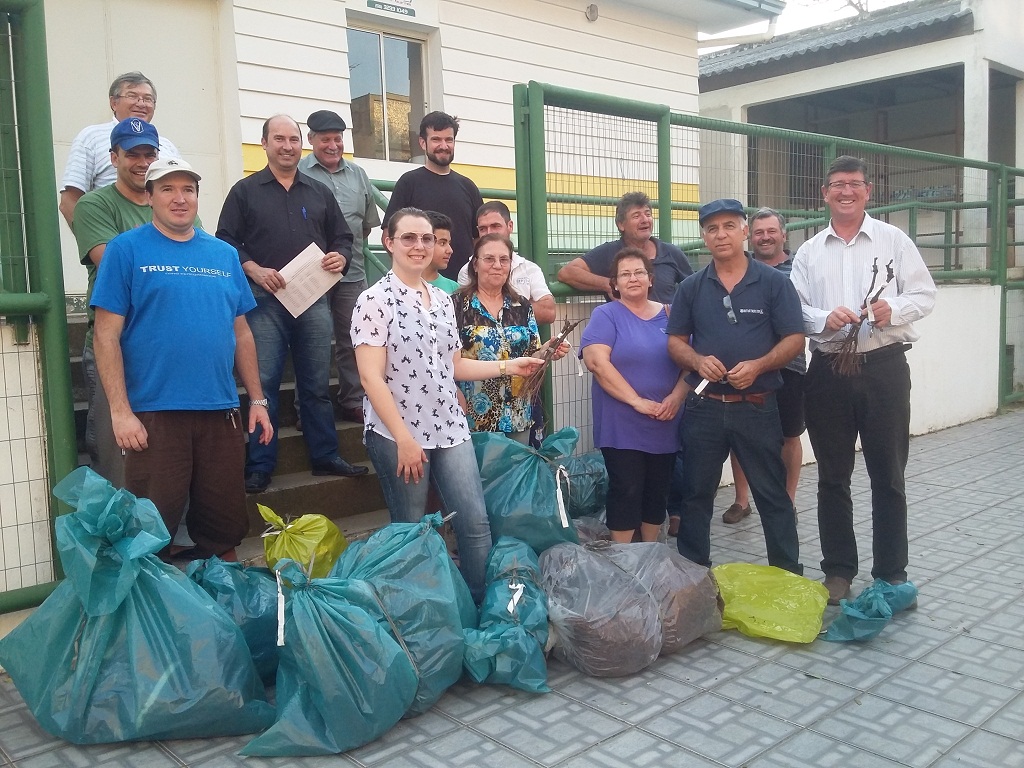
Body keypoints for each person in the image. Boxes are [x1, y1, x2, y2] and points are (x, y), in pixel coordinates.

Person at [351, 207, 544, 601]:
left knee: (475, 524)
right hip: (398, 433)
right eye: (409, 237)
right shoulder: (373, 300)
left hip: (450, 426)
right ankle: (417, 614)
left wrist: (509, 364)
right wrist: (404, 439)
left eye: (426, 238)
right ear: (389, 243)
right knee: (411, 531)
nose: (419, 246)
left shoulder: (441, 300)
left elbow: (453, 364)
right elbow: (371, 378)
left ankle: (479, 608)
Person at [91, 158, 271, 560]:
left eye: (188, 189)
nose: (179, 198)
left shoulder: (223, 255)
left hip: (220, 412)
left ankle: (226, 607)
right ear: (149, 196)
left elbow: (241, 332)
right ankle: (155, 615)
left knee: (224, 530)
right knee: (149, 533)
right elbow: (106, 335)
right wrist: (120, 411)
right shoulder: (126, 250)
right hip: (154, 415)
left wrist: (257, 400)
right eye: (168, 189)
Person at [791, 156, 936, 605]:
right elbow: (793, 309)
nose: (846, 192)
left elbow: (925, 294)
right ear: (825, 193)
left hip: (885, 368)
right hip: (829, 372)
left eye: (854, 184)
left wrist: (896, 308)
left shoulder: (894, 240)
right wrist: (822, 318)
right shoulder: (809, 251)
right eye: (837, 185)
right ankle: (837, 572)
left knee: (888, 475)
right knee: (833, 476)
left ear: (868, 192)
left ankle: (892, 573)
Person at [216, 114, 367, 494]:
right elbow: (226, 240)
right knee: (262, 385)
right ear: (264, 144)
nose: (287, 146)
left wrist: (340, 257)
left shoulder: (318, 192)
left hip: (312, 300)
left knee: (316, 383)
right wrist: (251, 267)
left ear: (302, 145)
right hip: (264, 301)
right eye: (278, 139)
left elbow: (343, 237)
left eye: (293, 140)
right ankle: (260, 465)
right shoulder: (244, 192)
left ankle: (325, 455)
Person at [667, 198, 804, 574]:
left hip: (757, 405)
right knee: (696, 494)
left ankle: (787, 575)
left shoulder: (774, 283)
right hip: (704, 407)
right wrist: (696, 361)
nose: (721, 234)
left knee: (772, 494)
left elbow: (795, 338)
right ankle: (693, 576)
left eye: (729, 226)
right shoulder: (692, 287)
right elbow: (675, 341)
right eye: (712, 228)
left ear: (745, 230)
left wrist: (759, 365)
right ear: (704, 237)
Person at [72, 118, 163, 487]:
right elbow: (113, 265)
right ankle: (116, 540)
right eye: (132, 154)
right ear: (113, 157)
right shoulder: (94, 205)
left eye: (149, 154)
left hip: (163, 346)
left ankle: (169, 541)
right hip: (115, 342)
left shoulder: (168, 199)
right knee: (115, 451)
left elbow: (197, 258)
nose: (142, 162)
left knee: (163, 453)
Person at [580, 248, 687, 542]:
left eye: (639, 272)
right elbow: (597, 363)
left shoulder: (671, 314)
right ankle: (625, 559)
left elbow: (690, 363)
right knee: (626, 488)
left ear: (651, 279)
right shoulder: (606, 314)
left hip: (664, 418)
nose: (633, 278)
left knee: (658, 489)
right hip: (621, 422)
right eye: (624, 274)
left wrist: (676, 398)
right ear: (614, 283)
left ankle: (649, 552)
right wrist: (636, 401)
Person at [722, 207, 807, 524]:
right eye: (758, 231)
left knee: (789, 435)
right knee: (739, 435)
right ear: (749, 235)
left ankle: (787, 503)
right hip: (743, 369)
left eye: (771, 231)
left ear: (784, 234)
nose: (765, 237)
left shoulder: (800, 268)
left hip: (791, 368)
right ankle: (742, 501)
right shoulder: (737, 269)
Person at [298, 109, 381, 423]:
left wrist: (345, 254)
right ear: (311, 140)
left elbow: (366, 226)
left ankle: (352, 401)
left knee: (352, 340)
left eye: (337, 138)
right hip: (309, 276)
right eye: (325, 139)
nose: (332, 145)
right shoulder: (300, 172)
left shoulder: (358, 174)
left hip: (352, 272)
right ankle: (307, 409)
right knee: (312, 342)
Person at [453, 234, 568, 441]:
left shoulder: (522, 306)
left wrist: (549, 350)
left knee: (516, 473)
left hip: (517, 414)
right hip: (473, 418)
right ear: (475, 265)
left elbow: (532, 355)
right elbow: (445, 362)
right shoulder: (457, 305)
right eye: (489, 259)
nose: (497, 265)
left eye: (504, 259)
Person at [59, 71, 180, 226]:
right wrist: (94, 240)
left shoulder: (167, 146)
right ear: (113, 103)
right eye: (132, 96)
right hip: (113, 234)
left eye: (148, 99)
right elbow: (69, 200)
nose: (141, 103)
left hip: (167, 238)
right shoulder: (92, 137)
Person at [382, 112, 484, 280]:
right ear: (423, 143)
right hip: (420, 283)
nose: (443, 145)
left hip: (463, 284)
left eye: (449, 140)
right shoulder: (409, 183)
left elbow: (478, 239)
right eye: (436, 139)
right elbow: (389, 234)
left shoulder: (468, 187)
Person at [557, 191, 692, 303]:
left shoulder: (671, 252)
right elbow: (567, 272)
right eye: (636, 216)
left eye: (648, 214)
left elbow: (694, 289)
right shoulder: (610, 252)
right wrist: (609, 284)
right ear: (621, 224)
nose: (645, 220)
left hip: (667, 330)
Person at [457, 201, 556, 324]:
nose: (489, 233)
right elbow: (463, 314)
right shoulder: (468, 269)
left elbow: (548, 311)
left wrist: (493, 309)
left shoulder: (529, 268)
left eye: (495, 226)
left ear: (510, 226)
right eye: (483, 229)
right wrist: (524, 308)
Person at [423, 211, 460, 294]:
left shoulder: (454, 288)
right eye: (442, 243)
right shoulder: (395, 286)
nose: (450, 250)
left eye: (449, 243)